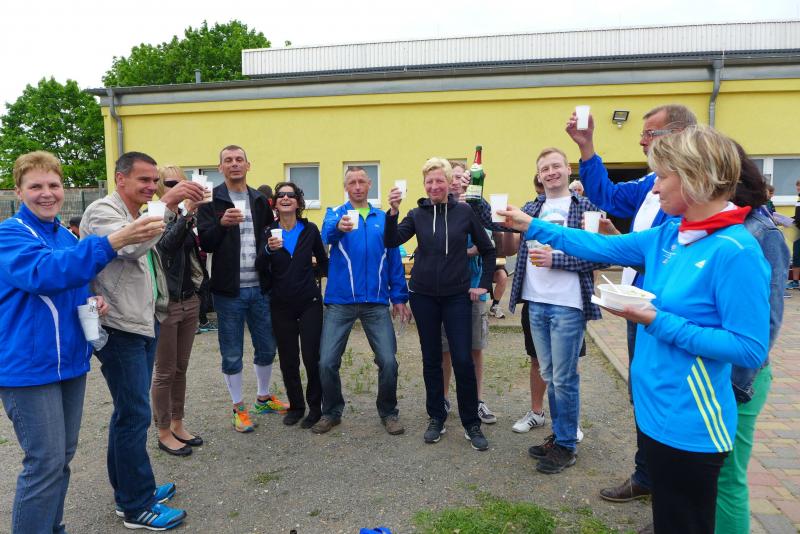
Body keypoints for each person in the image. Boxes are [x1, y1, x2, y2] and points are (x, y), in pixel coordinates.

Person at [500, 125, 770, 533]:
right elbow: (600, 246)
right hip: (653, 410)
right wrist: (531, 225)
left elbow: (749, 348)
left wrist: (656, 320)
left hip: (690, 421)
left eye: (662, 177)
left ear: (696, 177)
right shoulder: (670, 233)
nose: (655, 189)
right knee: (668, 517)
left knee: (685, 521)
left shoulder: (736, 250)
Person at [0, 151, 166, 534]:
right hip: (29, 368)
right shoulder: (10, 234)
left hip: (69, 364)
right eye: (36, 186)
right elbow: (44, 274)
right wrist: (112, 241)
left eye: (53, 185)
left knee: (61, 457)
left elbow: (72, 281)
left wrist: (92, 300)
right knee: (44, 463)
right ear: (18, 191)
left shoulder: (62, 234)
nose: (47, 193)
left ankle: (52, 526)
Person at [566, 104, 697, 502]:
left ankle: (670, 495)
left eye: (649, 134)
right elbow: (607, 194)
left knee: (665, 396)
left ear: (679, 135)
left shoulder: (691, 194)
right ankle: (647, 476)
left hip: (667, 311)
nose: (641, 141)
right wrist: (586, 147)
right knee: (641, 390)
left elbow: (667, 256)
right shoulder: (651, 182)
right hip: (636, 305)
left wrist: (622, 248)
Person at [81, 151, 206, 530]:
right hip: (119, 327)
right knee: (134, 415)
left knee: (128, 414)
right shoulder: (102, 211)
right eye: (145, 180)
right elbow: (132, 245)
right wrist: (168, 203)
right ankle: (136, 506)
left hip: (142, 321)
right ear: (120, 179)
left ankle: (132, 491)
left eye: (155, 181)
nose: (152, 186)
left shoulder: (135, 211)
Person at [474, 148, 606, 473]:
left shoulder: (585, 207)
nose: (550, 172)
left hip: (568, 305)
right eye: (544, 168)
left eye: (556, 166)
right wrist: (482, 204)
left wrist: (556, 259)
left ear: (568, 169)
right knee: (549, 375)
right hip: (536, 303)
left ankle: (566, 445)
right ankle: (559, 436)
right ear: (539, 175)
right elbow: (502, 236)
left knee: (564, 378)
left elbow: (602, 256)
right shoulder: (532, 208)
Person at [385, 157, 496, 451]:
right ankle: (437, 417)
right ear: (424, 185)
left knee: (462, 359)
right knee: (431, 359)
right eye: (429, 181)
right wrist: (392, 212)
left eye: (439, 181)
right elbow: (392, 240)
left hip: (457, 296)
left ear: (449, 183)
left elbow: (487, 249)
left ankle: (471, 422)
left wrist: (484, 284)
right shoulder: (416, 214)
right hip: (423, 297)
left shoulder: (464, 212)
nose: (434, 186)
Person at [714, 148, 789, 534]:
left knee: (727, 477)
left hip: (740, 379)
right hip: (714, 372)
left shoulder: (761, 233)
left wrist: (737, 384)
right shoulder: (715, 226)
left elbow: (768, 322)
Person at [314, 166, 411, 435]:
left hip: (375, 302)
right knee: (326, 362)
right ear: (345, 187)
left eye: (361, 182)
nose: (357, 186)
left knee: (388, 361)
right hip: (340, 301)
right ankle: (331, 412)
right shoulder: (336, 213)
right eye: (351, 182)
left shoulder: (383, 217)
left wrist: (399, 297)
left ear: (370, 185)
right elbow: (326, 235)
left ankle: (388, 412)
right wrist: (338, 227)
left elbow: (393, 259)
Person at [197, 145, 287, 434]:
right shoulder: (210, 201)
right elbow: (205, 243)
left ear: (248, 165)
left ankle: (263, 397)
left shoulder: (259, 199)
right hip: (228, 290)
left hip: (260, 287)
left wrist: (272, 247)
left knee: (267, 346)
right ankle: (238, 407)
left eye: (239, 160)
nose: (234, 164)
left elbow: (267, 236)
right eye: (228, 160)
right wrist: (222, 224)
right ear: (220, 168)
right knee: (232, 352)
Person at [258, 182, 328, 427]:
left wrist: (312, 276)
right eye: (281, 195)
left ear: (298, 202)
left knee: (311, 356)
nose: (286, 198)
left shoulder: (310, 229)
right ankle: (296, 407)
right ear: (275, 203)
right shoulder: (268, 231)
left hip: (309, 302)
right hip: (281, 304)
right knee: (288, 359)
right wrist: (268, 250)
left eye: (291, 195)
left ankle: (315, 408)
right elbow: (259, 266)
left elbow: (323, 261)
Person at [151, 166, 207, 456]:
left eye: (181, 182)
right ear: (160, 186)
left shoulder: (187, 215)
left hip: (189, 300)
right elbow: (165, 247)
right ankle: (163, 431)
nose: (177, 187)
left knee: (181, 368)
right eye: (170, 182)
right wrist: (185, 214)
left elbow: (195, 253)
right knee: (164, 371)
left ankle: (177, 423)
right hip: (166, 303)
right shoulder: (154, 213)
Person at [441, 161, 496, 424]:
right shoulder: (438, 207)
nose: (456, 181)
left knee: (475, 348)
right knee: (444, 349)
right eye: (452, 177)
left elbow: (489, 243)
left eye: (461, 177)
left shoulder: (476, 205)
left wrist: (467, 250)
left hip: (474, 286)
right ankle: (442, 399)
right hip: (444, 289)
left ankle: (477, 401)